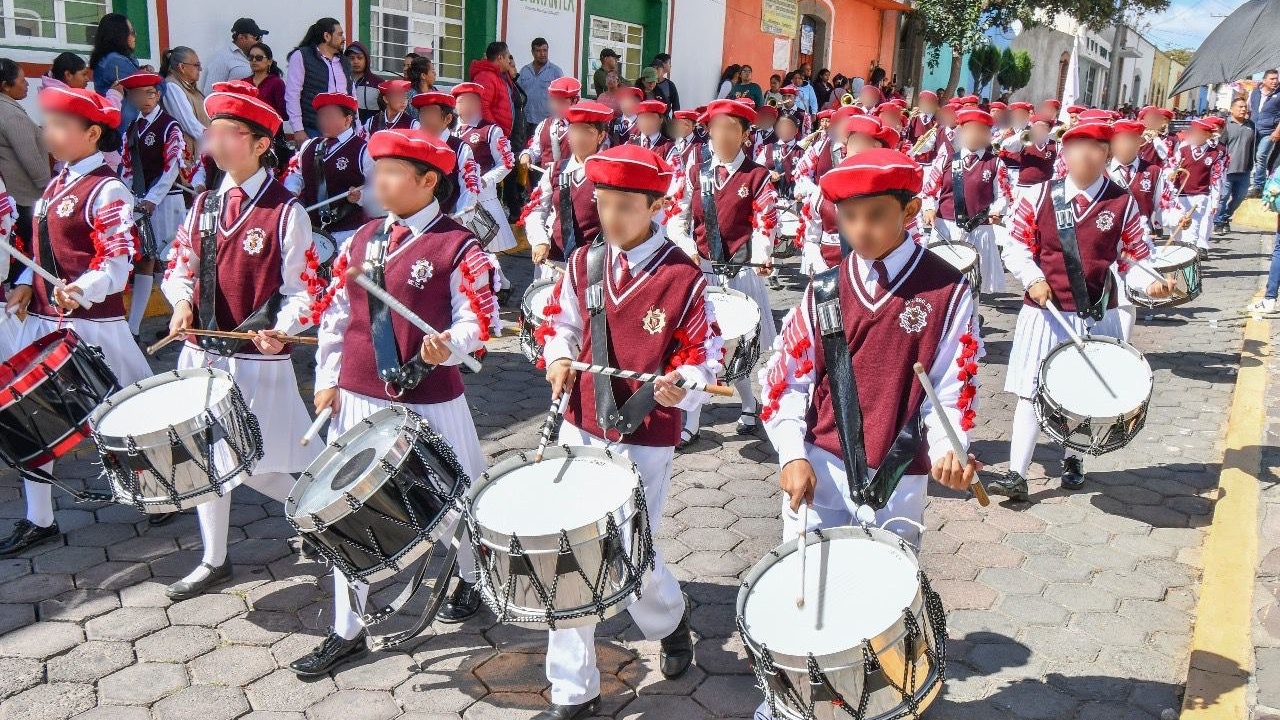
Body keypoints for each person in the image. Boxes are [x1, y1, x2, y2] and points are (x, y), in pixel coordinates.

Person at [756, 156, 980, 660]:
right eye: (849, 217)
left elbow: (953, 382)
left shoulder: (946, 289)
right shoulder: (825, 288)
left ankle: (880, 698)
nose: (861, 230)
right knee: (807, 586)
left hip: (899, 472)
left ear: (910, 211)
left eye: (876, 215)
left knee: (885, 600)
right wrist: (792, 453)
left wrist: (950, 447)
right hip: (823, 462)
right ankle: (790, 702)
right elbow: (787, 380)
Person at [297, 127, 498, 676]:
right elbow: (336, 317)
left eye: (389, 172)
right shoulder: (358, 241)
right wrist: (326, 379)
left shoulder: (459, 245)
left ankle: (471, 574)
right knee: (347, 511)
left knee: (462, 495)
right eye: (376, 171)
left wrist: (448, 346)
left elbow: (478, 321)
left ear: (428, 180)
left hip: (431, 396)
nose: (377, 182)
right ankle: (349, 629)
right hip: (359, 395)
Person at [534, 143, 717, 720]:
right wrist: (560, 355)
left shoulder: (683, 276)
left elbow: (701, 354)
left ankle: (669, 618)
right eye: (603, 203)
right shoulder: (584, 262)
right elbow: (559, 324)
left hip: (645, 432)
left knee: (631, 549)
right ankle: (572, 688)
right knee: (571, 551)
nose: (610, 217)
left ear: (656, 205)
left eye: (625, 206)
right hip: (581, 422)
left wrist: (682, 382)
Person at [159, 81, 322, 597]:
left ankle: (319, 513)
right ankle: (214, 558)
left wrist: (287, 328)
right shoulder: (203, 203)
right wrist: (181, 299)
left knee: (256, 464)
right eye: (214, 132)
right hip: (201, 354)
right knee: (212, 458)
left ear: (258, 144)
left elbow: (304, 291)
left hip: (258, 359)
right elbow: (179, 266)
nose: (216, 142)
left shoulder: (285, 212)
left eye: (229, 133)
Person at [0, 87, 153, 556]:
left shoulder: (107, 189)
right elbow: (39, 248)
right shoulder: (56, 182)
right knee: (32, 419)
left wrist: (81, 290)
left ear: (90, 134)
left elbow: (117, 264)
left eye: (60, 125)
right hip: (46, 324)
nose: (49, 132)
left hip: (95, 327)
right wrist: (27, 279)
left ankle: (165, 490)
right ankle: (39, 518)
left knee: (131, 419)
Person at [988, 120, 1170, 501]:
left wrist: (1147, 283)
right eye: (1076, 147)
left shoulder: (1122, 203)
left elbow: (1135, 259)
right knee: (1029, 390)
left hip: (1093, 312)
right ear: (1064, 154)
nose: (1084, 155)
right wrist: (1032, 276)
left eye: (1095, 147)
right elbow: (1016, 245)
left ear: (1107, 154)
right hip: (1044, 311)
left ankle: (1074, 459)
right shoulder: (1038, 196)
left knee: (1081, 394)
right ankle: (1016, 474)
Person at [668, 99, 778, 444]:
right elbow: (677, 215)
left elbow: (765, 222)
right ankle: (692, 419)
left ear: (745, 135)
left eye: (732, 129)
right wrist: (686, 248)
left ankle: (748, 402)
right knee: (699, 343)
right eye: (717, 128)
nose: (723, 135)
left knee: (735, 344)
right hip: (702, 271)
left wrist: (761, 255)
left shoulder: (757, 176)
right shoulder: (694, 170)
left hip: (741, 272)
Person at [119, 72, 186, 339]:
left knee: (171, 261)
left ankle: (184, 320)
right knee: (145, 259)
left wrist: (151, 198)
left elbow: (172, 167)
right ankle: (133, 328)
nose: (145, 99)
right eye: (139, 94)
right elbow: (126, 167)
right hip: (140, 204)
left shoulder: (170, 126)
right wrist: (129, 198)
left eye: (150, 93)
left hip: (166, 202)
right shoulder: (133, 128)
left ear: (158, 95)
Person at [921, 108, 1012, 297]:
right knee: (942, 284)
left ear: (987, 134)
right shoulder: (945, 159)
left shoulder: (995, 163)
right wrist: (929, 209)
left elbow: (1003, 195)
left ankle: (971, 324)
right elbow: (930, 191)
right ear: (961, 131)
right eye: (970, 130)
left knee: (973, 287)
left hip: (979, 229)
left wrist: (996, 211)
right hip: (946, 228)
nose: (974, 135)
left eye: (980, 131)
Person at [522, 101, 610, 281]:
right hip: (555, 260)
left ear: (601, 136)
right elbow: (536, 209)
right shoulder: (555, 170)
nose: (579, 137)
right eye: (574, 130)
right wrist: (539, 240)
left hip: (593, 262)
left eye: (587, 131)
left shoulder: (609, 174)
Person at [453, 82, 516, 299]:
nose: (467, 106)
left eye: (472, 101)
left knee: (484, 246)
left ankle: (498, 286)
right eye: (462, 101)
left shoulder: (490, 130)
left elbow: (506, 163)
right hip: (457, 198)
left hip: (483, 197)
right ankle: (496, 285)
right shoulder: (450, 132)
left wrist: (486, 180)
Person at [283, 93, 371, 247]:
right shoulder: (308, 146)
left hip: (348, 233)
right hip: (311, 229)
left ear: (348, 119)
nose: (323, 121)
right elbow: (297, 174)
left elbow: (379, 188)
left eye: (329, 116)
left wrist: (361, 196)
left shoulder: (363, 150)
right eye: (321, 116)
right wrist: (292, 191)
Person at [0, 59, 51, 258]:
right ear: (6, 85)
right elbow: (30, 158)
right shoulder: (11, 114)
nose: (27, 83)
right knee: (29, 256)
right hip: (25, 197)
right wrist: (48, 189)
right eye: (21, 80)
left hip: (14, 193)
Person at [411, 91, 481, 220]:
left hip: (447, 220)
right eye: (423, 113)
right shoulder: (414, 145)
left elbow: (470, 188)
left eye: (431, 112)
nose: (425, 118)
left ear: (448, 119)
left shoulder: (460, 149)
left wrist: (460, 218)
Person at [1165, 118, 1226, 260]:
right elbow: (1171, 165)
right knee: (1177, 228)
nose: (1196, 136)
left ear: (1208, 135)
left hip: (1201, 196)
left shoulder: (1215, 154)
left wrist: (1215, 201)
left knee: (1192, 229)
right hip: (1180, 193)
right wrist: (1170, 174)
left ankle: (1188, 260)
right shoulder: (1183, 150)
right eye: (1194, 133)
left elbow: (1216, 179)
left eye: (1200, 133)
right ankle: (1174, 259)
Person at [286, 18, 352, 143]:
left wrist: (356, 125)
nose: (344, 38)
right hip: (313, 129)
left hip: (344, 131)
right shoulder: (301, 56)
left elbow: (351, 95)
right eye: (340, 34)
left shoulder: (345, 62)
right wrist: (298, 129)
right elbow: (292, 94)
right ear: (327, 36)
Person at [159, 47, 211, 179]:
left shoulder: (188, 87)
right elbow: (189, 124)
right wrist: (214, 140)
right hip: (186, 159)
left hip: (200, 154)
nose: (200, 69)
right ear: (182, 67)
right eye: (197, 65)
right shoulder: (172, 86)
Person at [520, 77, 580, 169]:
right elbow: (535, 151)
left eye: (562, 102)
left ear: (575, 101)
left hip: (574, 181)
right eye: (553, 101)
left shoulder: (583, 127)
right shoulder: (544, 124)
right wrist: (526, 155)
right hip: (547, 181)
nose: (556, 107)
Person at [1216, 97, 1256, 234]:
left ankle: (1225, 217)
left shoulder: (1251, 125)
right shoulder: (1225, 124)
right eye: (1240, 107)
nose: (1243, 109)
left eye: (1245, 107)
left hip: (1244, 170)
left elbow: (1253, 146)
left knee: (1239, 197)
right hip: (1227, 170)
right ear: (1232, 109)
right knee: (1223, 197)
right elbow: (1220, 146)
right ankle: (1219, 222)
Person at [201, 17, 266, 93]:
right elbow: (211, 92)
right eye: (257, 38)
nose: (260, 41)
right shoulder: (223, 58)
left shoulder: (254, 57)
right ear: (241, 38)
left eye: (261, 38)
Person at [517, 37, 564, 138]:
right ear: (532, 52)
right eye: (538, 51)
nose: (542, 54)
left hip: (547, 122)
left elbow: (562, 97)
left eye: (545, 50)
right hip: (527, 121)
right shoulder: (524, 71)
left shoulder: (556, 72)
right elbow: (517, 94)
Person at [468, 41, 516, 138]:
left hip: (500, 136)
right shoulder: (486, 76)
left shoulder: (500, 75)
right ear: (500, 58)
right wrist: (495, 131)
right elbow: (482, 107)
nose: (509, 61)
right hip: (491, 137)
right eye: (508, 57)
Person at [1249, 69, 1280, 197]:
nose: (1275, 81)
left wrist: (1277, 131)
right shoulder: (1255, 92)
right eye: (1272, 79)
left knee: (1261, 156)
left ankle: (1258, 186)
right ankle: (1256, 182)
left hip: (1269, 131)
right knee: (1253, 157)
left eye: (1276, 79)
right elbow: (1250, 109)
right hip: (1254, 130)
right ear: (1264, 80)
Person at [242, 42, 287, 122]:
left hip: (270, 130)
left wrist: (262, 116)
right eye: (251, 57)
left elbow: (284, 113)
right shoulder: (243, 83)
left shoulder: (276, 83)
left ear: (269, 61)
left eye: (259, 58)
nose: (254, 60)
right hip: (248, 130)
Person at [346, 41, 383, 123]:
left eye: (359, 58)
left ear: (366, 59)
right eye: (351, 58)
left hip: (371, 129)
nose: (355, 61)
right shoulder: (342, 81)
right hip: (347, 129)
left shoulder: (378, 83)